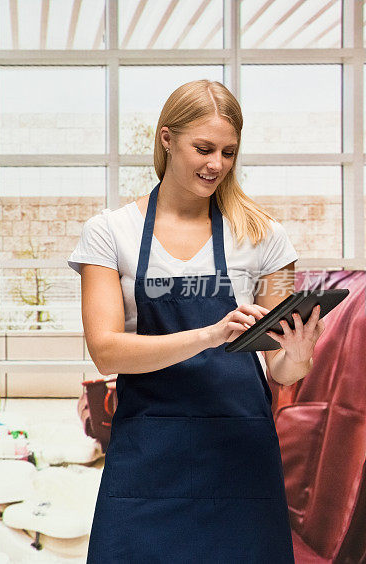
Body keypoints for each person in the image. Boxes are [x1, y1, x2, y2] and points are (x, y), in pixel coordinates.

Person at [68, 80, 325, 562]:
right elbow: (106, 349)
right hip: (148, 451)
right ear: (167, 139)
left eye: (228, 152)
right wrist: (210, 334)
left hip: (239, 452)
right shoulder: (111, 232)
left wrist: (299, 355)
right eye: (203, 148)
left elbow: (279, 373)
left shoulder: (263, 236)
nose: (217, 164)